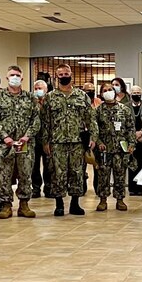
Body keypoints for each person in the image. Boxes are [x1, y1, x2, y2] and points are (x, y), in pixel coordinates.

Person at [0, 65, 39, 219]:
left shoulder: (30, 98)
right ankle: (6, 205)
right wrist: (6, 137)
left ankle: (24, 204)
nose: (15, 78)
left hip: (25, 144)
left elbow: (36, 120)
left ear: (22, 78)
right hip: (4, 144)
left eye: (17, 75)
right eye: (12, 75)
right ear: (7, 78)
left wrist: (27, 136)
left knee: (25, 174)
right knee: (3, 175)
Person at [44, 64, 93, 216]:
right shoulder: (50, 97)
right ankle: (59, 204)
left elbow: (90, 118)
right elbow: (45, 121)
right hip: (57, 142)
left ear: (71, 74)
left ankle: (75, 204)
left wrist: (93, 137)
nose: (64, 76)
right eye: (61, 74)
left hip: (77, 141)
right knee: (58, 173)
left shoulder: (81, 96)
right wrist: (45, 142)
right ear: (56, 76)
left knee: (77, 173)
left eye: (66, 73)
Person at [92, 81, 134, 212]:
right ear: (101, 93)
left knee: (120, 175)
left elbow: (131, 128)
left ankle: (120, 200)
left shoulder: (124, 109)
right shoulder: (98, 110)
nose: (108, 92)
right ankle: (103, 200)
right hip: (104, 149)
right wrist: (98, 143)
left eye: (110, 89)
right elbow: (94, 129)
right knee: (103, 176)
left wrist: (131, 144)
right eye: (105, 90)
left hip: (120, 149)